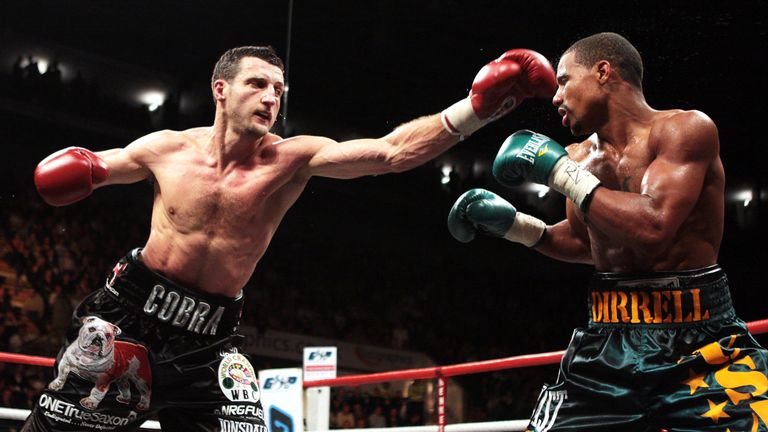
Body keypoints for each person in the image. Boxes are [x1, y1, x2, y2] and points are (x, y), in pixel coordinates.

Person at [25, 45, 557, 431]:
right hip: (129, 318)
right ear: (220, 89)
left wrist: (476, 108)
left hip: (210, 339)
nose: (271, 98)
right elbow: (102, 165)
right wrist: (85, 166)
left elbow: (391, 153)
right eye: (257, 84)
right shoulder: (166, 148)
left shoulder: (292, 159)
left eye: (279, 90)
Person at [448, 32, 768, 431]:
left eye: (564, 80)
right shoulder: (576, 157)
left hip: (703, 341)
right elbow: (585, 242)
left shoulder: (684, 129)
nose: (555, 97)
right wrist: (518, 227)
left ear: (603, 71)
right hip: (607, 343)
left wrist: (559, 173)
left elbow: (654, 226)